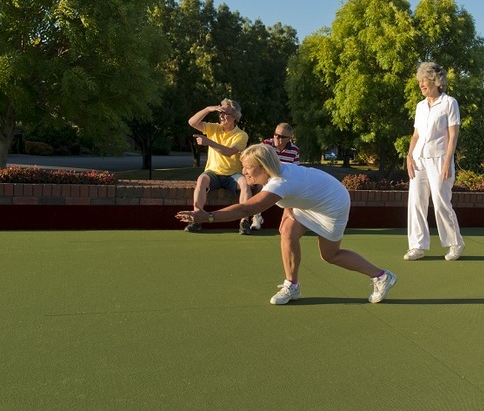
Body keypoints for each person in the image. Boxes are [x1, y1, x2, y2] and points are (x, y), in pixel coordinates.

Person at [176, 144, 398, 305]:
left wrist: (207, 217)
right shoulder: (276, 171)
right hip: (314, 198)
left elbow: (246, 209)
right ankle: (292, 286)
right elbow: (299, 190)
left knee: (330, 255)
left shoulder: (279, 183)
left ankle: (381, 276)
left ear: (263, 167)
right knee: (288, 230)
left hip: (332, 204)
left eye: (248, 167)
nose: (244, 171)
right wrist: (288, 210)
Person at [404, 62, 465, 262]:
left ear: (436, 81)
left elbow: (453, 135)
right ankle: (417, 246)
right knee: (416, 202)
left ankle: (455, 243)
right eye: (420, 81)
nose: (421, 85)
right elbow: (416, 135)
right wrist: (409, 156)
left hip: (440, 158)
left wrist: (448, 162)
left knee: (440, 202)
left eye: (425, 81)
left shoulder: (449, 103)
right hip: (418, 159)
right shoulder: (420, 106)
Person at [185, 99, 253, 235]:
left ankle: (244, 221)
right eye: (220, 113)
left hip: (233, 174)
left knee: (245, 184)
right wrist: (208, 109)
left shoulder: (241, 135)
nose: (221, 116)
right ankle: (197, 217)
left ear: (234, 116)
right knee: (201, 180)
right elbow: (192, 122)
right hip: (213, 173)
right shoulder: (213, 128)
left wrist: (208, 142)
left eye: (225, 113)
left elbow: (229, 152)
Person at [250, 122, 301, 230]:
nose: (277, 138)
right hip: (267, 176)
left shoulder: (294, 150)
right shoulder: (265, 145)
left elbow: (295, 169)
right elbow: (258, 164)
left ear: (289, 138)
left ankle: (294, 219)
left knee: (296, 187)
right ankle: (256, 217)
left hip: (284, 179)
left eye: (282, 137)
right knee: (260, 185)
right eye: (276, 135)